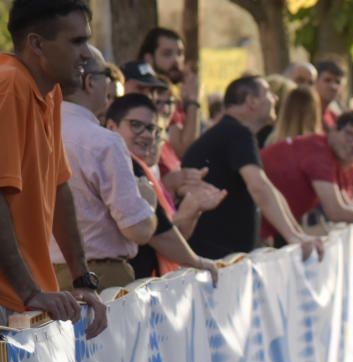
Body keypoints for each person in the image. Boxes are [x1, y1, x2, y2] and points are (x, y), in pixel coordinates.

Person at [0, 0, 107, 337]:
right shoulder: (10, 85)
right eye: (76, 41)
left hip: (24, 302)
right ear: (36, 44)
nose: (88, 54)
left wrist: (82, 279)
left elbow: (61, 189)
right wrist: (29, 291)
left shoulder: (50, 93)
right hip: (11, 303)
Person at [181, 75, 324, 260]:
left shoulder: (230, 132)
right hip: (219, 258)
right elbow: (259, 187)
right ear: (251, 101)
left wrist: (297, 234)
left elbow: (266, 187)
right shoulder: (238, 133)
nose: (275, 99)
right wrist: (293, 237)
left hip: (220, 255)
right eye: (268, 94)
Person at [49, 46, 157, 290]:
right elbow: (137, 229)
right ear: (89, 82)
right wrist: (148, 202)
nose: (109, 86)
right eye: (107, 77)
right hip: (100, 274)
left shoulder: (36, 131)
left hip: (44, 276)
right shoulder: (103, 141)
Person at [105, 94, 222, 283]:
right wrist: (197, 262)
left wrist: (192, 211)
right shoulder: (124, 166)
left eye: (151, 128)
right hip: (122, 286)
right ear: (111, 127)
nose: (146, 134)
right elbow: (158, 234)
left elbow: (166, 230)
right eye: (135, 125)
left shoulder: (136, 166)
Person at [261, 109, 353, 240]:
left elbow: (346, 202)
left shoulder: (332, 157)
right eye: (349, 135)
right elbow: (335, 211)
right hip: (252, 218)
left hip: (265, 224)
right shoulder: (319, 153)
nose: (352, 144)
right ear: (334, 130)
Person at [137, 27, 200, 157]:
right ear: (149, 58)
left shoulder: (175, 94)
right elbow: (184, 150)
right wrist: (194, 101)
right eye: (167, 54)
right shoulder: (155, 98)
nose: (176, 61)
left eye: (180, 54)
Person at [315, 60, 344, 130]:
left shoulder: (336, 118)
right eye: (327, 80)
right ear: (315, 81)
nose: (333, 86)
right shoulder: (304, 114)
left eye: (337, 82)